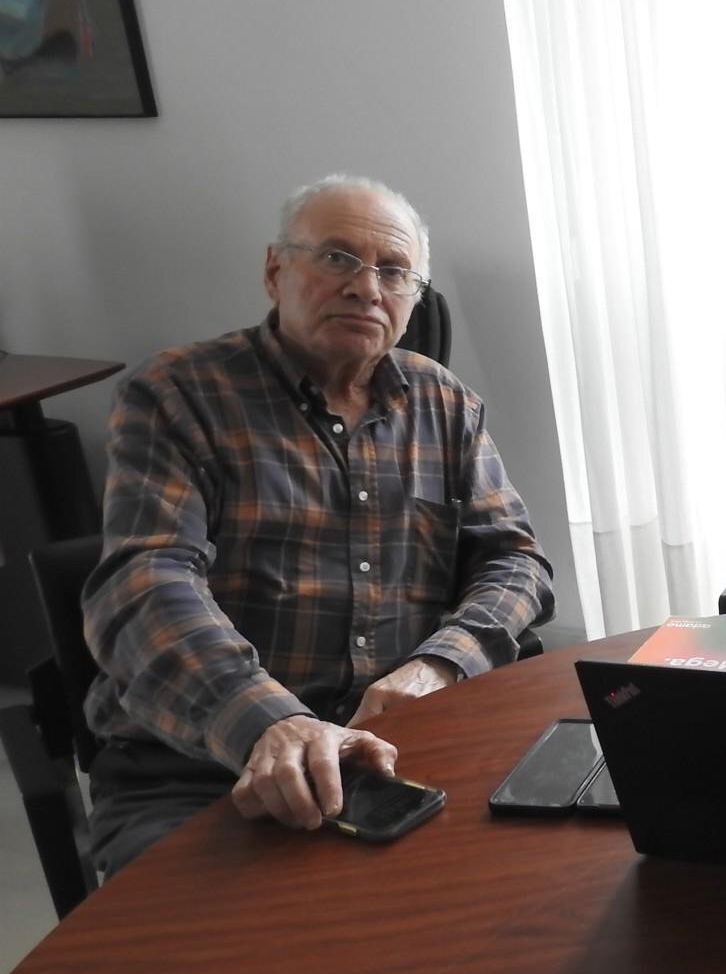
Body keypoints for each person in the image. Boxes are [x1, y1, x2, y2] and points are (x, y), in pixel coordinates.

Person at [82, 174, 554, 876]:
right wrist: (271, 721)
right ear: (275, 270)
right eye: (338, 258)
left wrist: (439, 666)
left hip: (404, 744)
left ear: (414, 298)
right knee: (215, 942)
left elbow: (514, 561)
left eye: (393, 271)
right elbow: (144, 584)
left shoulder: (444, 402)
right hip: (203, 763)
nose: (366, 288)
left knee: (542, 881)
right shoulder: (179, 395)